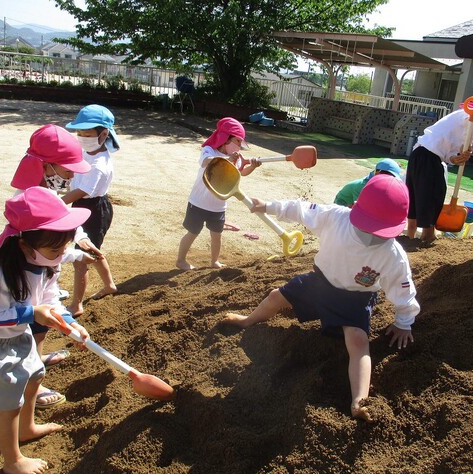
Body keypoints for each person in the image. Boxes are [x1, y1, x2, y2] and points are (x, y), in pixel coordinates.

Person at [222, 174, 420, 422]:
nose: (372, 236)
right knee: (276, 297)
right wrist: (269, 206)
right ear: (355, 209)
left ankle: (359, 401)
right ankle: (247, 320)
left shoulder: (393, 255)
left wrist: (403, 322)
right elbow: (301, 209)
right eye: (367, 226)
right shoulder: (336, 217)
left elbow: (403, 290)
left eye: (380, 232)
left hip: (355, 299)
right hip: (319, 284)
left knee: (358, 343)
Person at [0, 187, 91, 474]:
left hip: (18, 335)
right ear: (24, 245)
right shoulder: (0, 270)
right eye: (55, 251)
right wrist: (32, 314)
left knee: (35, 375)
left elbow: (49, 298)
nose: (61, 256)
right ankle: (12, 460)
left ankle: (27, 429)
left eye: (64, 249)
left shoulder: (46, 263)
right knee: (10, 404)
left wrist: (69, 321)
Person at [10, 124, 103, 407]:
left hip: (44, 271)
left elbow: (64, 220)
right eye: (67, 169)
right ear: (46, 165)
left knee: (43, 319)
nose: (73, 174)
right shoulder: (32, 195)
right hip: (30, 271)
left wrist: (81, 239)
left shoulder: (48, 188)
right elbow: (46, 236)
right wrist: (73, 254)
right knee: (32, 322)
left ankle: (37, 357)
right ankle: (30, 380)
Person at [405, 97, 473, 242]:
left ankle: (410, 235)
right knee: (432, 195)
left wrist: (455, 158)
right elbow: (461, 143)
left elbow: (450, 150)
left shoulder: (462, 119)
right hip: (429, 159)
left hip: (419, 155)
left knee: (417, 196)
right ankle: (428, 234)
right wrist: (464, 150)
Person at [176, 117, 261, 270]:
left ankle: (214, 261)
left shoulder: (236, 158)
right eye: (237, 141)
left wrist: (253, 166)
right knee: (193, 232)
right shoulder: (209, 150)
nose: (239, 146)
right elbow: (207, 161)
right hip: (198, 202)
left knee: (217, 235)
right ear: (225, 138)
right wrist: (227, 158)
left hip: (218, 205)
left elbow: (242, 172)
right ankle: (181, 260)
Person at [64, 104, 120, 317]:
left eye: (86, 134)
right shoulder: (86, 150)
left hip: (94, 210)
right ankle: (110, 285)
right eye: (78, 133)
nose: (81, 137)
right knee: (91, 250)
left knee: (81, 258)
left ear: (103, 134)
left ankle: (76, 304)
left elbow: (81, 191)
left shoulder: (100, 163)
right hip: (82, 206)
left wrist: (58, 204)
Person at [333, 158, 403, 207]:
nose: (390, 180)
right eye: (388, 176)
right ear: (377, 173)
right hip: (342, 207)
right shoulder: (363, 186)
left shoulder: (377, 183)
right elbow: (360, 208)